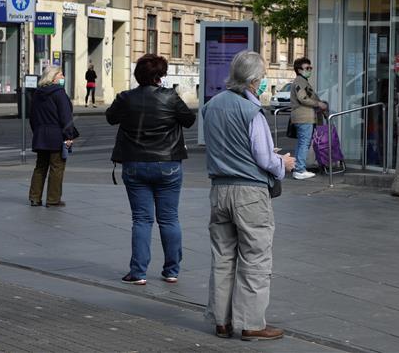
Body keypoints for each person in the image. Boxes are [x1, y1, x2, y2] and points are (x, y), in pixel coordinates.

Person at [201, 51, 295, 341]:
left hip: (220, 189)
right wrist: (284, 164)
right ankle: (252, 323)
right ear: (255, 79)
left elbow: (225, 145)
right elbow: (265, 158)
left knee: (223, 256)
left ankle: (222, 320)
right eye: (263, 76)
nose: (264, 81)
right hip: (250, 193)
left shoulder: (211, 105)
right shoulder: (251, 111)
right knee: (255, 258)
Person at [107, 54, 196, 285]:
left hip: (135, 163)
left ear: (138, 74)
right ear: (161, 75)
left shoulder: (126, 98)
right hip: (167, 164)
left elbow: (110, 118)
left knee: (142, 220)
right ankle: (171, 270)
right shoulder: (170, 97)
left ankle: (138, 272)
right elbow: (188, 120)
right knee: (169, 218)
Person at [29, 66, 76, 207]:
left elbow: (32, 117)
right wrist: (69, 136)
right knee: (57, 167)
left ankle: (34, 197)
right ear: (53, 77)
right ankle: (53, 199)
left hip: (40, 135)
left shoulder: (37, 94)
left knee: (40, 167)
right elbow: (66, 116)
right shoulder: (59, 93)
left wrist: (37, 131)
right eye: (61, 75)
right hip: (56, 135)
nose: (63, 77)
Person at [289, 57, 326, 179]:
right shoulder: (300, 81)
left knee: (302, 143)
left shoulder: (302, 80)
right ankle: (300, 169)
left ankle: (298, 168)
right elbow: (303, 98)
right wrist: (318, 104)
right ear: (299, 70)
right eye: (307, 68)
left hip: (303, 117)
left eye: (310, 68)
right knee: (304, 143)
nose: (309, 70)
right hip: (304, 117)